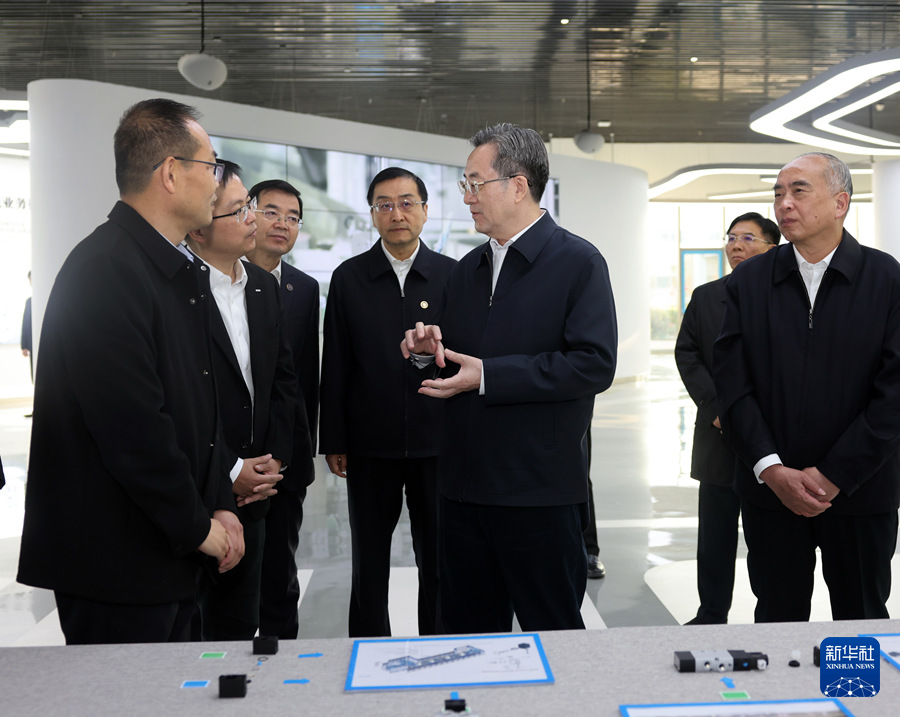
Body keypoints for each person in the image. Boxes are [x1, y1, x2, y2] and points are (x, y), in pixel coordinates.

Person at [16, 98, 244, 645]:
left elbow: (200, 403)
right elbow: (133, 428)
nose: (217, 182)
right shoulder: (105, 269)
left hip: (170, 553)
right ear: (171, 173)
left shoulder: (172, 268)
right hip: (117, 563)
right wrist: (198, 526)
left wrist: (219, 500)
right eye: (210, 166)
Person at [402, 123, 618, 633]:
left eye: (475, 184)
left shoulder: (578, 262)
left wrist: (490, 376)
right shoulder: (467, 270)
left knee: (554, 638)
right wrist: (426, 353)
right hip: (462, 493)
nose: (467, 197)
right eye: (465, 185)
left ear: (518, 186)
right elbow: (456, 362)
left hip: (538, 496)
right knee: (467, 640)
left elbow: (594, 363)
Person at [714, 152, 900, 622]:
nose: (784, 203)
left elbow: (894, 395)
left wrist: (835, 474)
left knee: (859, 623)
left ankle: (852, 679)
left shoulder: (887, 279)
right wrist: (771, 468)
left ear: (840, 203)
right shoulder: (748, 282)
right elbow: (732, 385)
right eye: (778, 193)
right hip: (771, 494)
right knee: (777, 621)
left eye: (799, 191)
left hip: (860, 493)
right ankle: (786, 682)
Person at [320, 167, 456, 637]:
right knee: (369, 559)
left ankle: (437, 648)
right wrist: (334, 439)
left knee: (438, 558)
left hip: (436, 441)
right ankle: (368, 648)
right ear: (373, 214)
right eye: (384, 204)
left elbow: (464, 359)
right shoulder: (349, 277)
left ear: (425, 210)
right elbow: (336, 363)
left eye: (406, 202)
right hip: (369, 443)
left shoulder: (452, 276)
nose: (396, 213)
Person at [186, 161, 309, 640]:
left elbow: (283, 382)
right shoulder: (179, 289)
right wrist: (231, 469)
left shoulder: (261, 287)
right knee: (197, 628)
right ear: (199, 227)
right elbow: (182, 401)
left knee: (244, 620)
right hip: (201, 485)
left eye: (249, 209)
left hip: (260, 486)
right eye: (241, 211)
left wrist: (273, 460)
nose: (254, 220)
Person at [675, 212, 779, 624]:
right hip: (718, 438)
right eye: (732, 237)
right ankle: (711, 613)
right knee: (715, 535)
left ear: (773, 248)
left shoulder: (786, 297)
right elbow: (687, 353)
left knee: (767, 538)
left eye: (748, 238)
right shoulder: (706, 297)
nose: (736, 245)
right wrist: (717, 408)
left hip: (771, 441)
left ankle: (769, 616)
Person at [246, 178, 319, 639]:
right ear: (247, 213)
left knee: (279, 575)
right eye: (271, 212)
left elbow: (303, 381)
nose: (282, 224)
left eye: (292, 218)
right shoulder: (214, 279)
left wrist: (292, 453)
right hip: (229, 462)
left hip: (284, 464)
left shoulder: (303, 288)